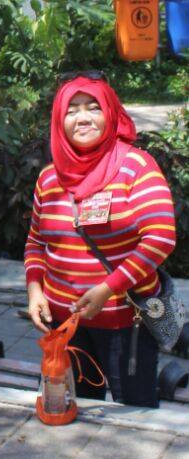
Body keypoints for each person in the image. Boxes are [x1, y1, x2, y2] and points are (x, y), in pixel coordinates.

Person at [25, 74, 177, 408]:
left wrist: (108, 288)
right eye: (72, 110)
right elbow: (36, 242)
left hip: (125, 322)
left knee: (133, 414)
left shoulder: (135, 167)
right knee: (70, 408)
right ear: (59, 120)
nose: (82, 118)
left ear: (110, 113)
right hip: (65, 325)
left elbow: (161, 237)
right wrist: (35, 290)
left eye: (93, 108)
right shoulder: (49, 178)